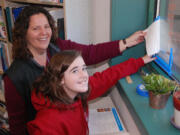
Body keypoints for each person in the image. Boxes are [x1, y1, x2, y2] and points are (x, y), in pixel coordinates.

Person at [3, 5, 146, 135]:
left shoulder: (58, 47)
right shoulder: (14, 77)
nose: (44, 33)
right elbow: (17, 128)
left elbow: (92, 53)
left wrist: (127, 42)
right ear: (24, 33)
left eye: (46, 26)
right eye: (36, 28)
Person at [27, 50, 155, 135]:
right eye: (75, 71)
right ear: (60, 79)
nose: (84, 75)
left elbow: (107, 77)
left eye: (84, 68)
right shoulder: (48, 124)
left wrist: (140, 61)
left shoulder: (77, 93)